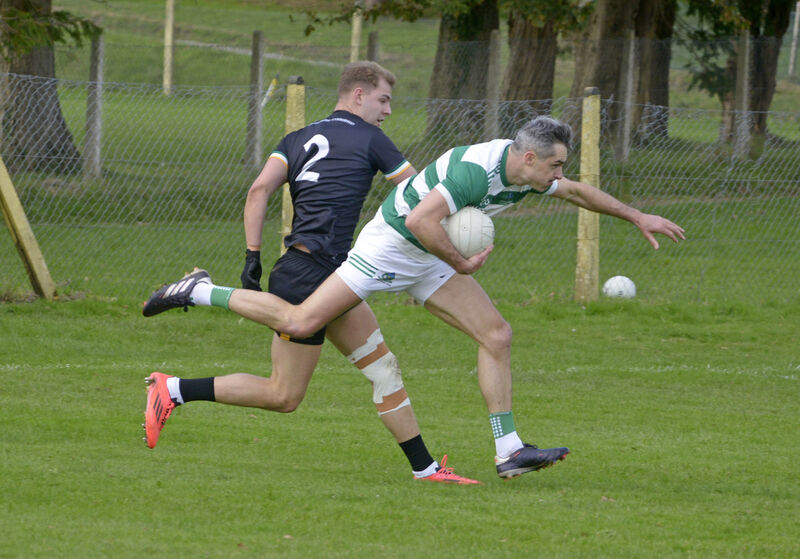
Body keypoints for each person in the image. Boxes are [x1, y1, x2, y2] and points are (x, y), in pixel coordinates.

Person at [144, 116, 686, 479]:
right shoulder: (476, 170)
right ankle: (201, 289)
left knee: (496, 333)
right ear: (525, 158)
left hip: (430, 255)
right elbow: (423, 220)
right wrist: (461, 262)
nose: (558, 175)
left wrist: (636, 215)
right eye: (553, 165)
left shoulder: (532, 175)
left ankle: (508, 450)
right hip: (391, 247)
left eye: (559, 166)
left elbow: (578, 192)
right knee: (302, 317)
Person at [142, 61, 479, 485]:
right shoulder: (373, 139)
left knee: (382, 367)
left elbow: (258, 190)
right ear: (358, 95)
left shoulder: (297, 138)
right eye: (383, 99)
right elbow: (419, 194)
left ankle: (426, 470)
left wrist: (252, 255)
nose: (387, 111)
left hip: (324, 271)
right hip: (311, 276)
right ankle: (188, 329)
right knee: (283, 395)